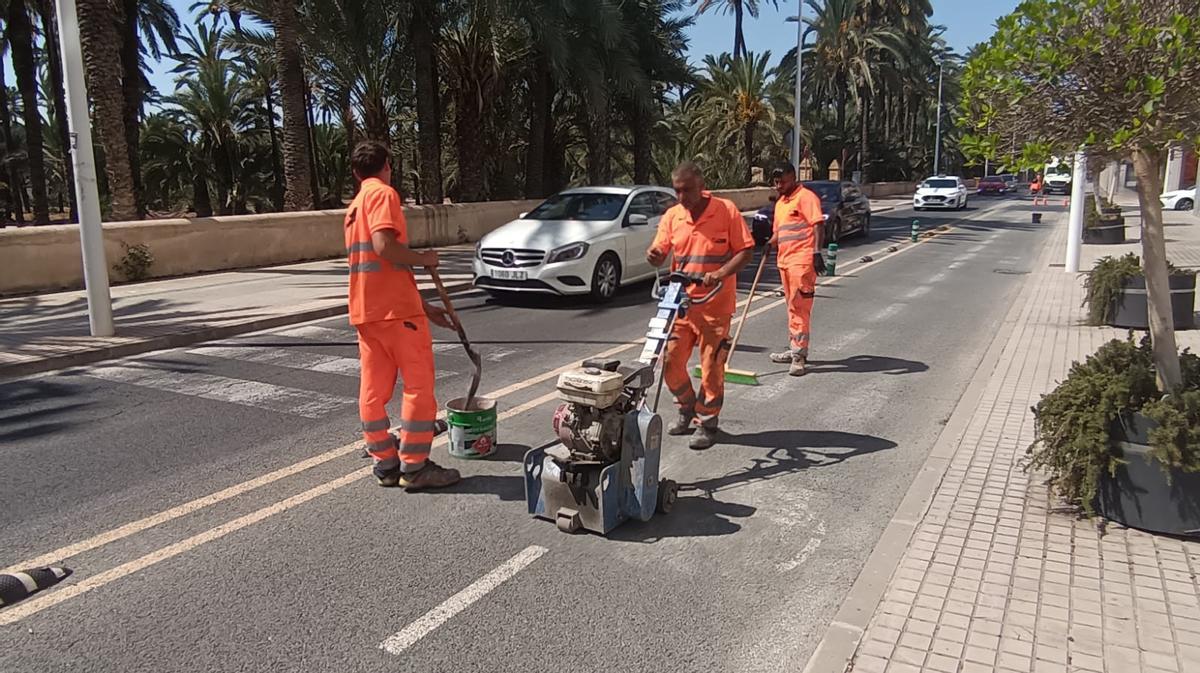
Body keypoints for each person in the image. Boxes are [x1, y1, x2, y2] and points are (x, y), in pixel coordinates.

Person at [344, 140, 461, 490]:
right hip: (396, 314)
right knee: (419, 389)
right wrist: (425, 259)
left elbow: (383, 268)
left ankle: (386, 465)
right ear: (387, 166)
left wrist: (425, 308)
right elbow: (385, 247)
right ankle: (415, 466)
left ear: (355, 173)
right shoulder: (383, 195)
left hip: (368, 313)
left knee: (373, 391)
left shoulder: (353, 208)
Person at [646, 162, 754, 450]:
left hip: (714, 305)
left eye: (687, 190)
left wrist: (720, 274)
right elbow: (660, 249)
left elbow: (746, 250)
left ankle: (707, 422)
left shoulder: (725, 211)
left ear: (701, 184)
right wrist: (655, 255)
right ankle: (686, 406)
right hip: (680, 303)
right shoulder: (673, 216)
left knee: (711, 366)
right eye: (677, 191)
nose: (682, 197)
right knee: (669, 361)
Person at [767, 161, 826, 376]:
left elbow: (818, 224)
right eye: (775, 182)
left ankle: (799, 356)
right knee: (792, 308)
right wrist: (769, 243)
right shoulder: (782, 202)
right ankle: (794, 348)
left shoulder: (806, 197)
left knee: (800, 308)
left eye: (782, 182)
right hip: (784, 261)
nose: (778, 186)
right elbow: (780, 231)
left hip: (801, 262)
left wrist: (817, 252)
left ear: (793, 177)